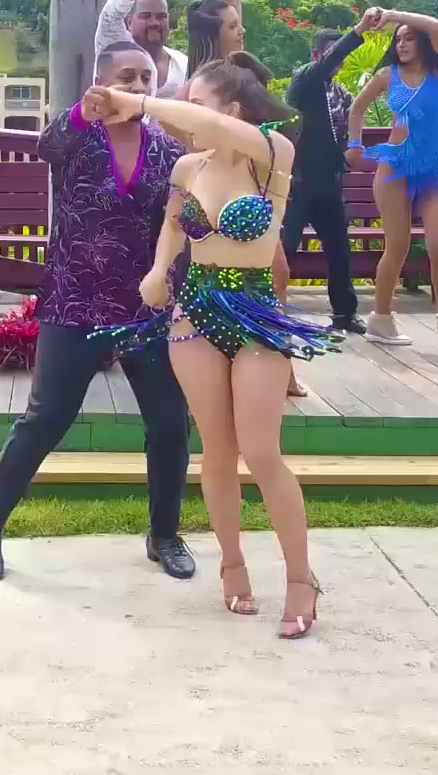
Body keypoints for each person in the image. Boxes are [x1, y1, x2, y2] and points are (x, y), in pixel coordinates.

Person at [88, 53, 342, 640]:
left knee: (261, 451)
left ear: (232, 110)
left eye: (197, 104)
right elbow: (173, 225)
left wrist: (140, 102)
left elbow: (212, 128)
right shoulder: (188, 167)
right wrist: (158, 271)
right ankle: (232, 564)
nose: (187, 115)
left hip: (253, 312)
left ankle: (300, 579)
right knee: (218, 450)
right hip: (194, 311)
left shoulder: (272, 154)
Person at [0, 41, 195, 584]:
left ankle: (164, 534)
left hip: (144, 307)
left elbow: (179, 224)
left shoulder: (167, 147)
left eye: (146, 78)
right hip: (75, 300)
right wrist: (81, 112)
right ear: (101, 82)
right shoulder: (76, 135)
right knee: (46, 419)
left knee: (169, 425)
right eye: (126, 77)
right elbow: (46, 146)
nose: (138, 87)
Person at [345, 8, 438, 350]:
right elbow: (356, 109)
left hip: (434, 167)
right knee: (396, 245)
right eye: (397, 39)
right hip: (395, 166)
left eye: (408, 38)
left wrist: (391, 15)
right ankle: (381, 319)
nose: (401, 44)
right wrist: (354, 145)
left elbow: (437, 25)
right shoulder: (388, 76)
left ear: (423, 42)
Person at [282, 15, 375, 335]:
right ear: (315, 54)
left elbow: (349, 124)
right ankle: (270, 310)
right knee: (284, 248)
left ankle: (344, 313)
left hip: (328, 181)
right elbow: (328, 61)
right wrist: (360, 30)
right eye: (331, 54)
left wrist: (351, 150)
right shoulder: (304, 79)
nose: (337, 61)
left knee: (339, 250)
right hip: (298, 181)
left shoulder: (341, 93)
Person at [93, 0, 187, 97]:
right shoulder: (114, 47)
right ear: (129, 22)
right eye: (146, 16)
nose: (154, 23)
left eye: (161, 16)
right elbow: (111, 13)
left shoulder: (183, 64)